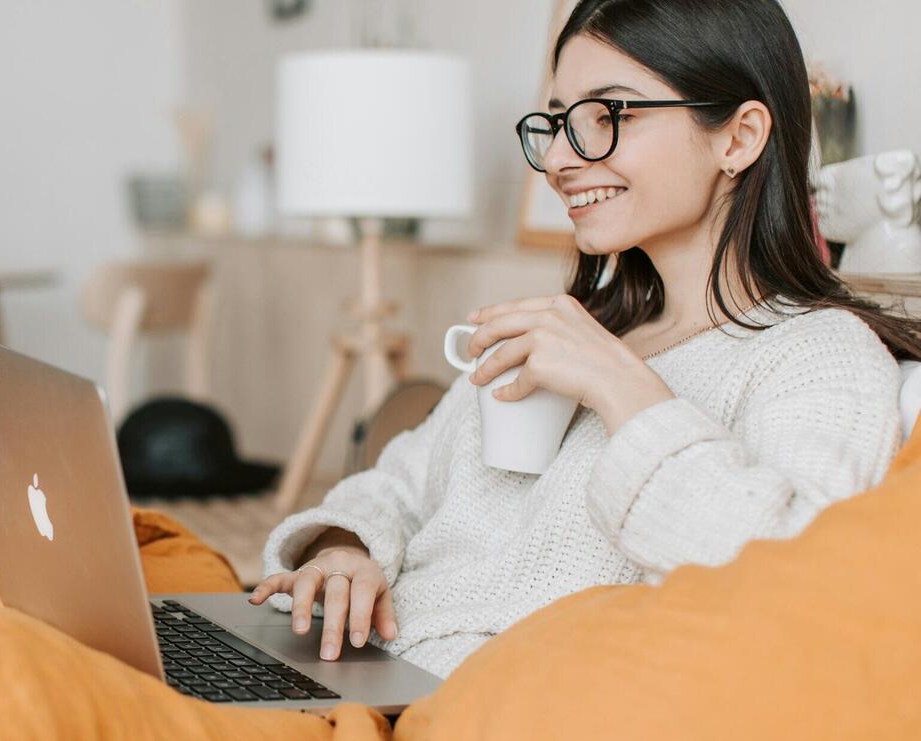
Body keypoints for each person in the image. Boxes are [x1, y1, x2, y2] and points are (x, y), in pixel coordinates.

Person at [249, 0, 920, 680]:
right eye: (558, 123)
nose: (562, 160)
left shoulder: (817, 354)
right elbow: (396, 482)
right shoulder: (576, 325)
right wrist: (345, 549)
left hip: (468, 705)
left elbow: (792, 583)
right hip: (356, 665)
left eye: (609, 116)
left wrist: (620, 384)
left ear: (739, 137)